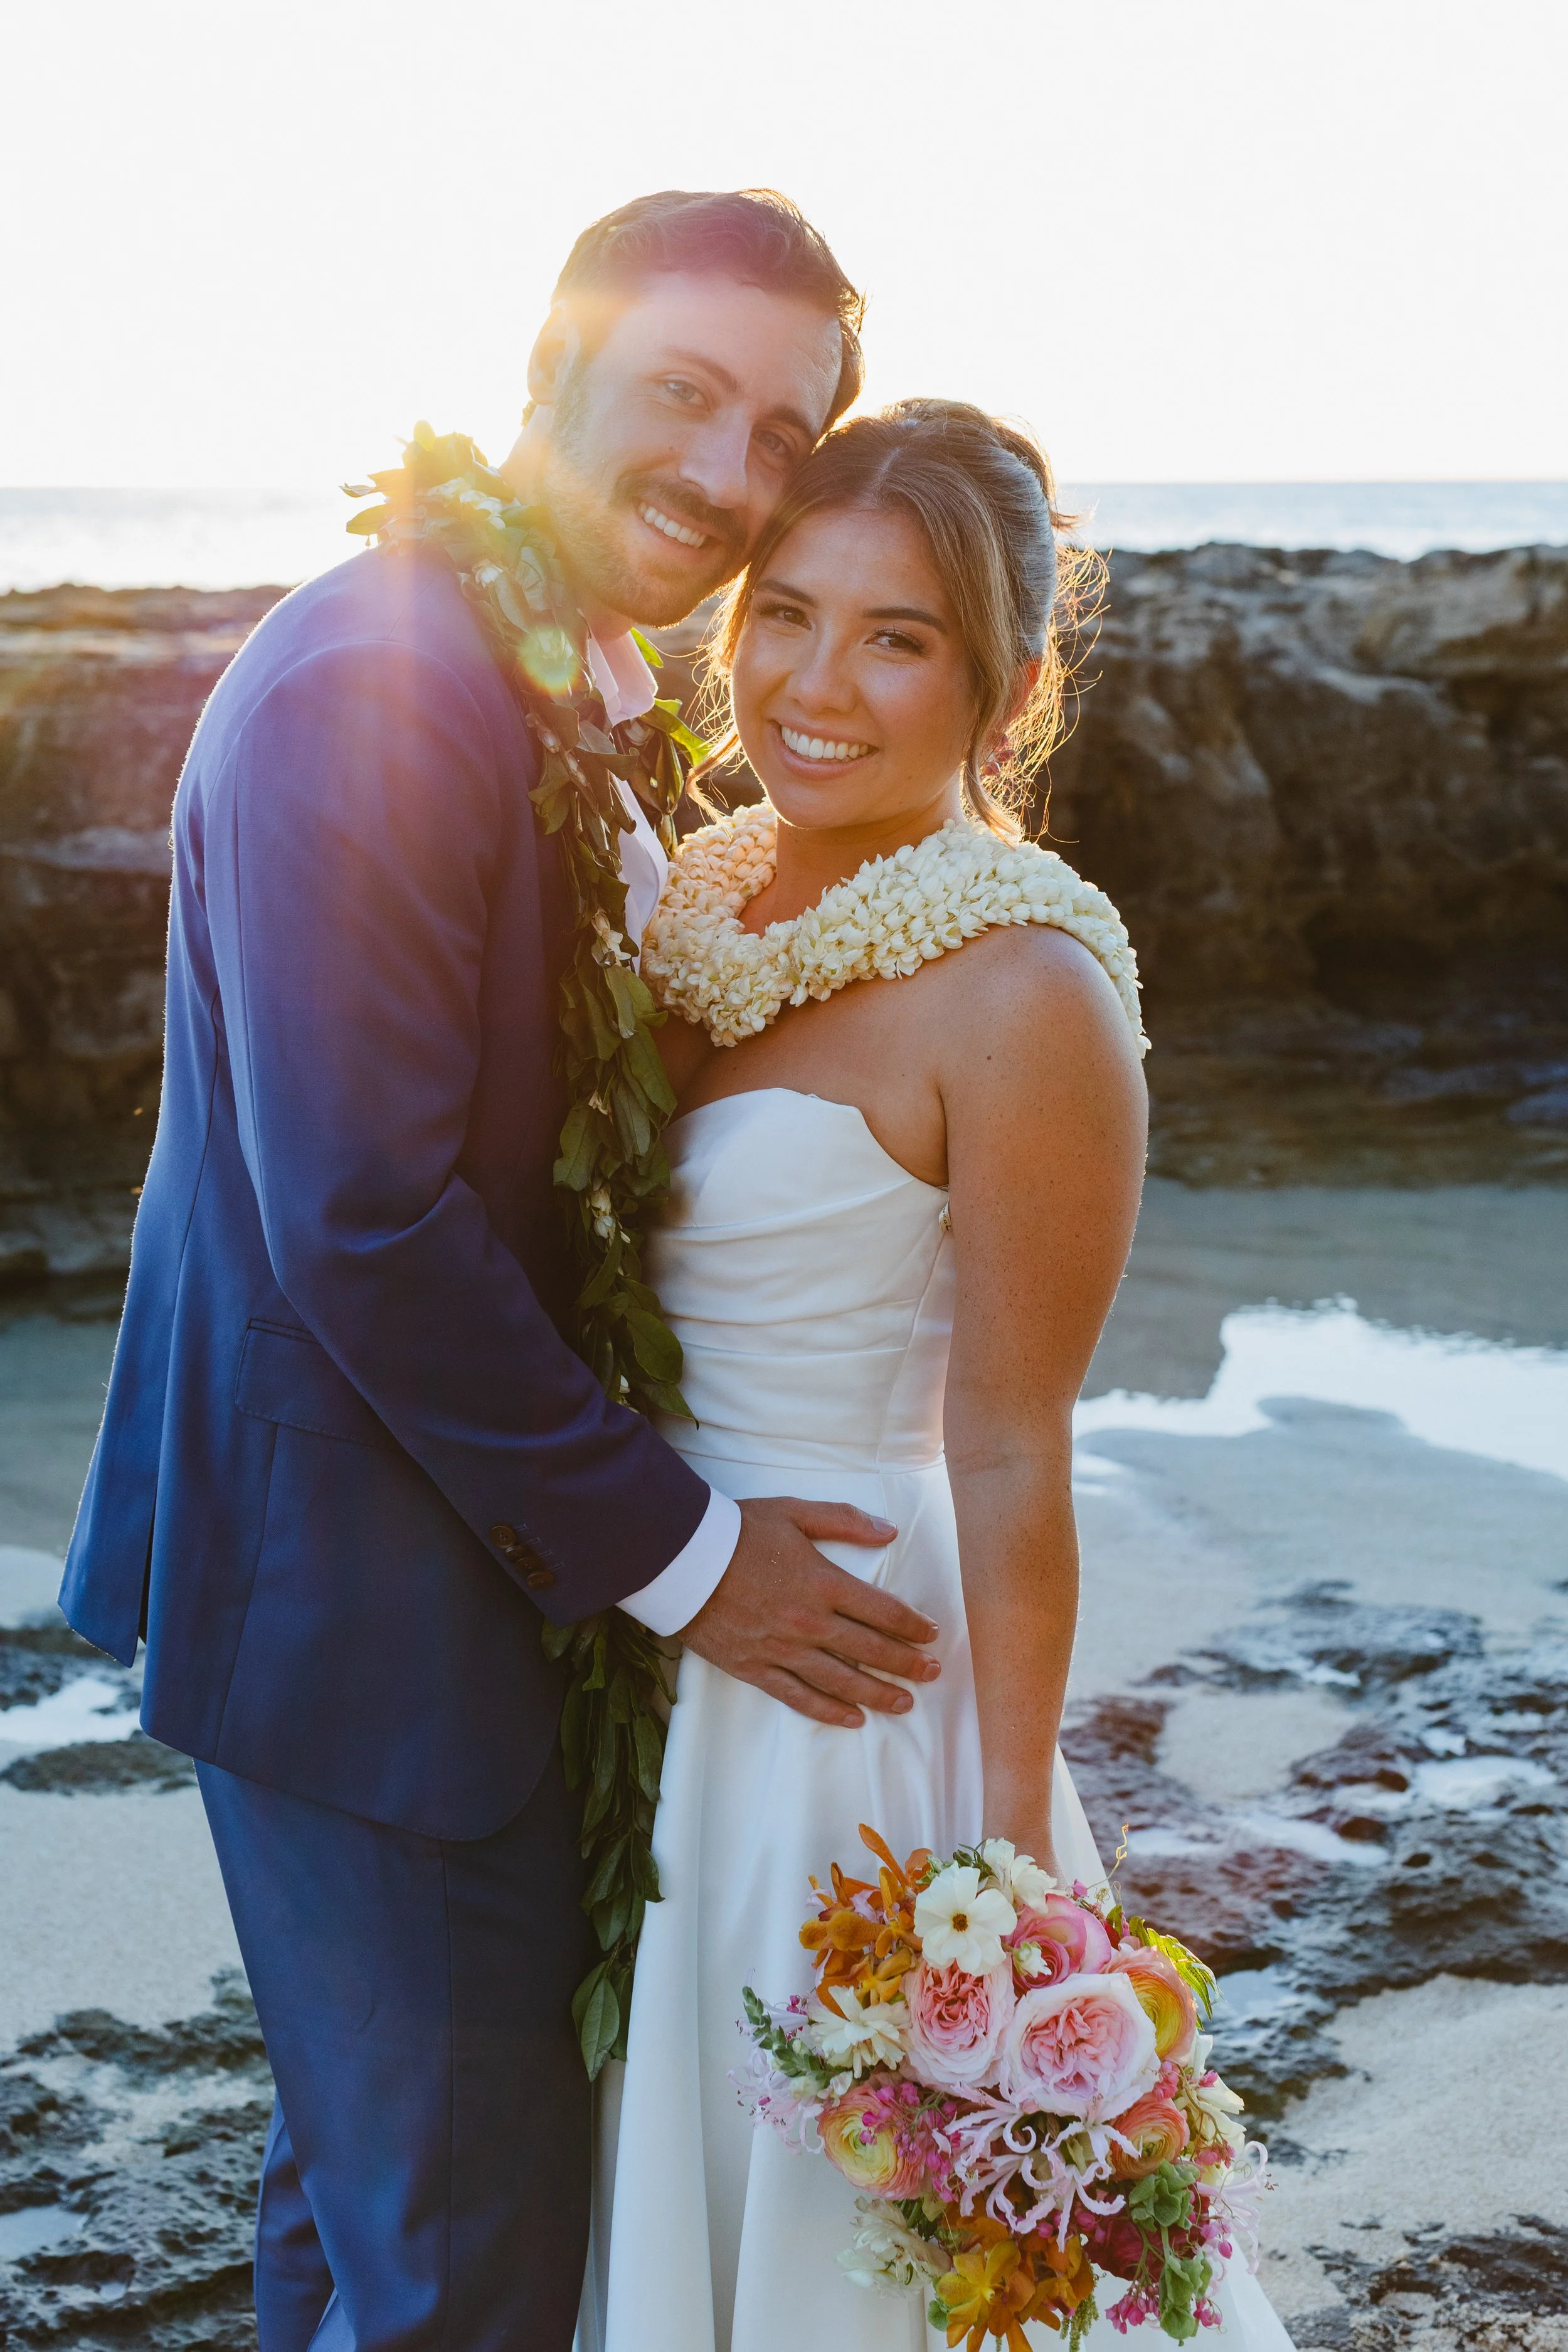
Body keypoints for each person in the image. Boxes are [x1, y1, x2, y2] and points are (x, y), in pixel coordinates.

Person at [56, 191, 946, 2352]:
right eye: (683, 394)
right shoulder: (383, 680)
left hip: (454, 1575)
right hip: (366, 1606)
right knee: (465, 2265)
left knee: (373, 2211)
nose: (731, 478)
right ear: (554, 364)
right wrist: (688, 1554)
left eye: (780, 431)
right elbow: (358, 1210)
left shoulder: (553, 668)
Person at [581, 401, 1295, 2349]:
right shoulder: (697, 902)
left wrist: (1000, 1864)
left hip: (834, 1688)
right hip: (633, 1622)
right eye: (785, 610)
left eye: (894, 637)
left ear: (1007, 683)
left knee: (856, 2235)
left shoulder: (1027, 990)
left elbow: (1006, 1438)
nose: (814, 684)